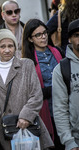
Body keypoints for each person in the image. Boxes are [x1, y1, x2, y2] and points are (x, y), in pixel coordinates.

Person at [0, 28, 54, 150]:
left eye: (10, 46)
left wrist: (26, 116)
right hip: (5, 132)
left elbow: (36, 94)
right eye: (2, 46)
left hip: (30, 127)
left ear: (15, 47)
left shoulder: (26, 65)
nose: (7, 50)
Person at [22, 19, 64, 149]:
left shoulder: (58, 52)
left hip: (65, 108)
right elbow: (30, 92)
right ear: (30, 39)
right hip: (46, 110)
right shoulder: (28, 62)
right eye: (38, 35)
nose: (44, 37)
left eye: (45, 32)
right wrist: (53, 90)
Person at [52, 19, 79, 150]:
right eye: (77, 35)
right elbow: (60, 109)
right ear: (69, 39)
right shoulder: (62, 69)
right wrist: (69, 141)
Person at [0, 0, 24, 66]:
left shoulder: (27, 29)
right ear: (3, 14)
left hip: (27, 68)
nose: (14, 15)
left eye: (16, 11)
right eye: (9, 12)